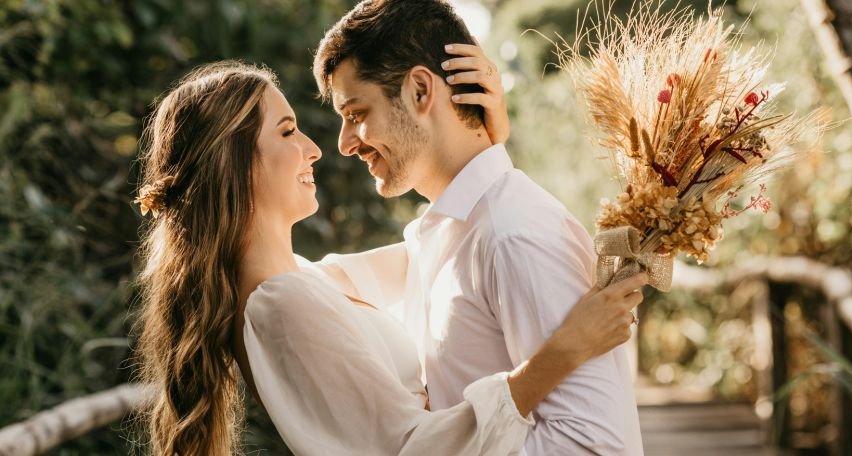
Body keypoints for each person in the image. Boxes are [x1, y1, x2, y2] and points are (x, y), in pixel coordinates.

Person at [133, 59, 646, 455]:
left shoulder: (305, 283)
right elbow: (407, 448)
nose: (315, 148)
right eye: (287, 131)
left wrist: (480, 143)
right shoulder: (280, 305)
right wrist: (561, 354)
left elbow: (443, 244)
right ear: (233, 162)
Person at [310, 0, 645, 454]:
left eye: (356, 114)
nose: (345, 143)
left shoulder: (515, 234)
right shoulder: (441, 233)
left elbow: (596, 446)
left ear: (420, 91)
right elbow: (311, 283)